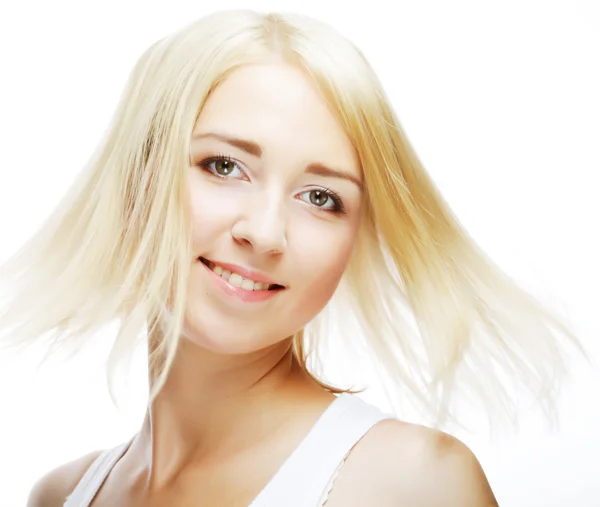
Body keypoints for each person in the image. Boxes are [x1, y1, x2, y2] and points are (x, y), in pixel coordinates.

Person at [0, 9, 582, 507]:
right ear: (138, 177)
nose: (266, 232)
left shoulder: (410, 483)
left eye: (322, 198)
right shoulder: (62, 494)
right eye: (224, 166)